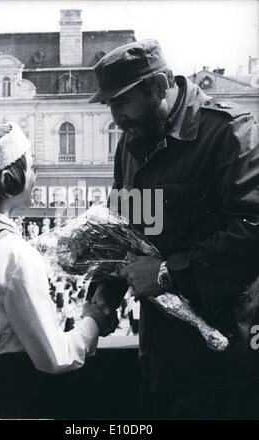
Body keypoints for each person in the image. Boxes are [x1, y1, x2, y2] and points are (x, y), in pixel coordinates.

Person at [88, 39, 259, 419]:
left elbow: (253, 230)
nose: (116, 118)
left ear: (159, 85)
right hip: (160, 359)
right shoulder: (130, 146)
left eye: (122, 102)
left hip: (223, 363)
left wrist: (167, 274)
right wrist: (102, 295)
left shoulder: (229, 132)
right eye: (109, 105)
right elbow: (124, 231)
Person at [0, 124, 117, 383]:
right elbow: (56, 357)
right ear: (7, 180)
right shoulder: (16, 255)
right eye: (32, 167)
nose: (37, 176)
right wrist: (93, 321)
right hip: (9, 396)